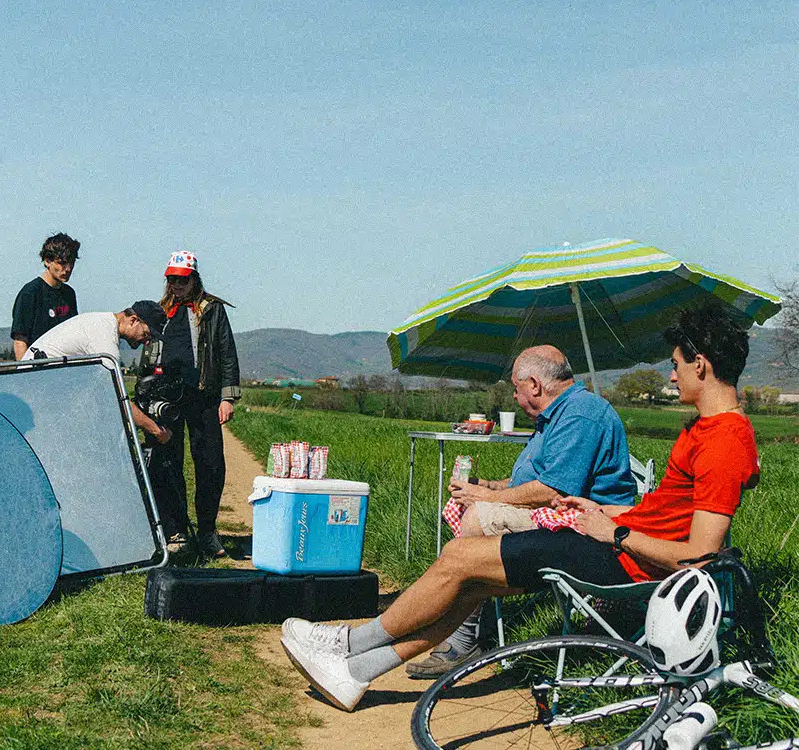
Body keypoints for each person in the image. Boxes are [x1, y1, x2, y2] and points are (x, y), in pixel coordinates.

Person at [281, 303, 758, 712]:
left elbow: (699, 557)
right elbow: (666, 511)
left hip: (627, 564)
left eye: (675, 364)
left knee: (460, 559)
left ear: (701, 364)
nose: (670, 375)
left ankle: (346, 643)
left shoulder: (723, 441)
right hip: (616, 541)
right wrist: (603, 511)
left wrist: (611, 533)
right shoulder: (707, 428)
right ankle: (356, 672)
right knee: (470, 584)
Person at [406, 344, 636, 678]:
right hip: (554, 514)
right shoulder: (554, 418)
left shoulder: (580, 414)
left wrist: (485, 497)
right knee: (471, 508)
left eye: (516, 387)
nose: (514, 396)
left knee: (477, 519)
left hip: (584, 524)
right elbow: (530, 481)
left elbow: (554, 490)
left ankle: (463, 636)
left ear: (534, 384)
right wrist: (489, 485)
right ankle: (459, 623)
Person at [138, 250, 241, 558]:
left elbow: (227, 352)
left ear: (194, 278)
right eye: (171, 280)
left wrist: (227, 397)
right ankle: (176, 530)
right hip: (166, 396)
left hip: (204, 396)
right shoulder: (160, 310)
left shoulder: (212, 310)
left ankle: (208, 531)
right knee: (167, 461)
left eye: (182, 280)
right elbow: (146, 351)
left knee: (210, 463)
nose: (176, 285)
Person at [22, 302, 173, 444]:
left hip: (43, 386)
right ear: (133, 320)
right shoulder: (104, 337)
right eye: (146, 334)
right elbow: (118, 399)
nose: (146, 341)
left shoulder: (102, 323)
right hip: (35, 390)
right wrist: (156, 431)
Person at [10, 233, 80, 359]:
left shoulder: (69, 294)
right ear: (47, 261)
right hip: (38, 368)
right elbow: (20, 341)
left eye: (71, 262)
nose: (68, 268)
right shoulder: (30, 293)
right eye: (62, 263)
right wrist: (26, 374)